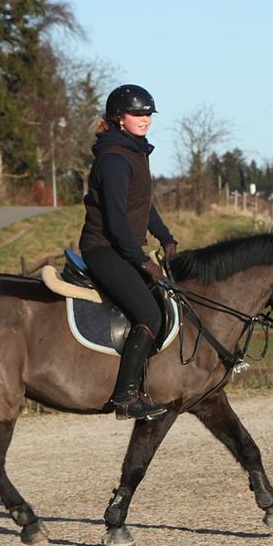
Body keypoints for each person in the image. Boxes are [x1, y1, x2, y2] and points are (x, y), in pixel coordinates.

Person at [78, 84, 178, 420]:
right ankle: (125, 398)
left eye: (148, 113)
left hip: (124, 247)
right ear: (119, 118)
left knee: (166, 302)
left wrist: (165, 237)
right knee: (149, 315)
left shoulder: (136, 152)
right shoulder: (114, 159)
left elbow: (141, 205)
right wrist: (141, 260)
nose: (145, 119)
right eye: (138, 113)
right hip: (104, 249)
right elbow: (118, 220)